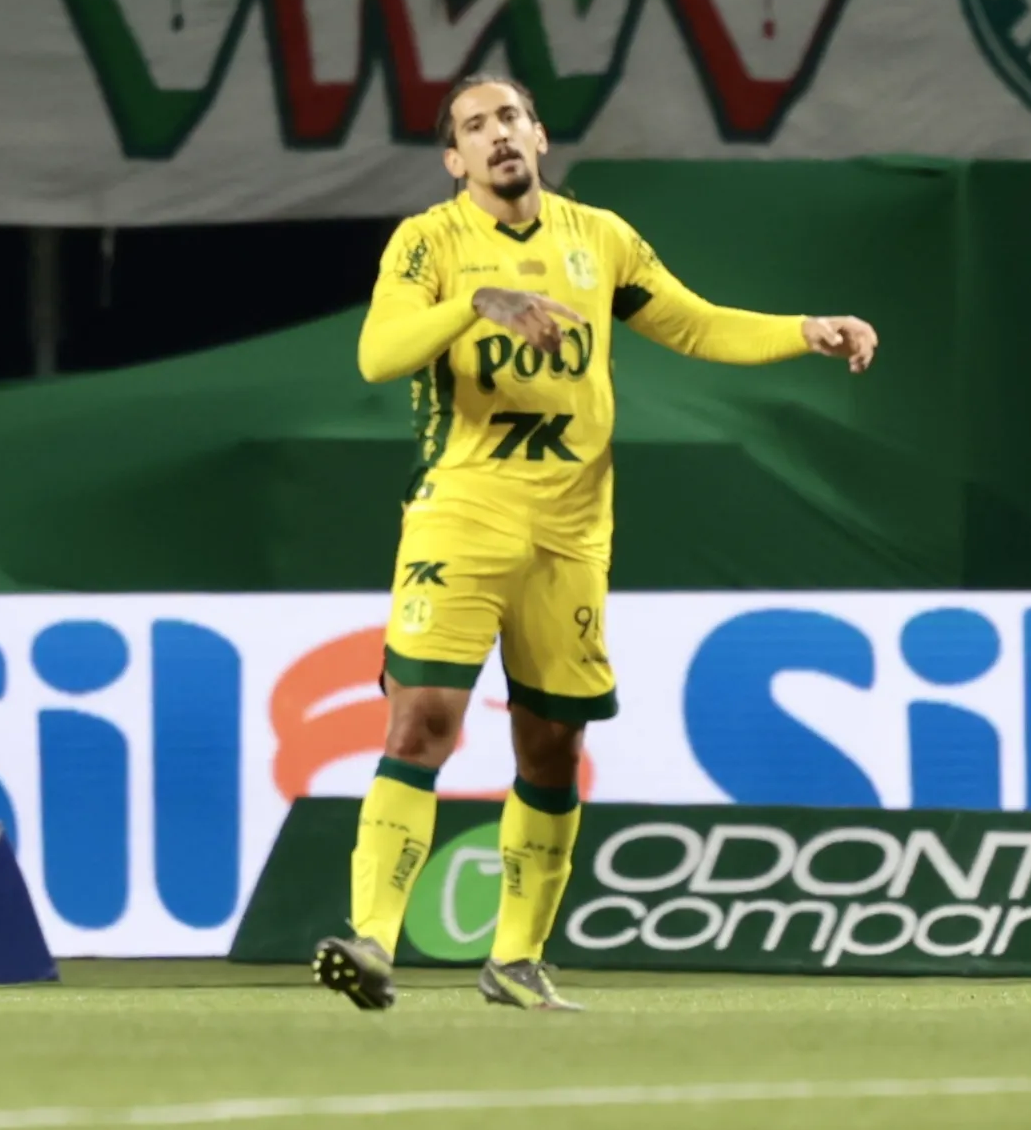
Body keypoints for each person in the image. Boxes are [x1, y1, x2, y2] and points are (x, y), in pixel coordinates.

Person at [313, 74, 879, 1012]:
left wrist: (804, 331)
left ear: (539, 135)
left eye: (510, 117)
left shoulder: (601, 237)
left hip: (572, 532)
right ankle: (372, 939)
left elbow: (692, 322)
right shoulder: (428, 241)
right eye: (474, 127)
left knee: (551, 748)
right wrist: (479, 301)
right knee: (422, 722)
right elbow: (379, 353)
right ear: (454, 159)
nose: (497, 135)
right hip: (462, 513)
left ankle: (516, 959)